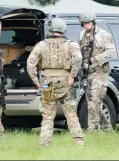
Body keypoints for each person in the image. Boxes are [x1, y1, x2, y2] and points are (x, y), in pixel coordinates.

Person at [27, 18, 84, 148]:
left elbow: (30, 64)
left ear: (51, 29)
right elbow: (78, 58)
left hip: (48, 84)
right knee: (71, 114)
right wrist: (72, 75)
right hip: (66, 83)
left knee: (47, 117)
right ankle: (79, 143)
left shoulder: (41, 45)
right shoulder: (71, 44)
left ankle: (44, 145)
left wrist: (36, 81)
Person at [78, 11, 116, 132]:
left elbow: (111, 52)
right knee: (91, 103)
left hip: (100, 73)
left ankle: (92, 131)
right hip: (87, 73)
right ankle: (107, 127)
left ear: (93, 22)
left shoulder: (103, 35)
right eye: (84, 24)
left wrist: (95, 59)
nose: (86, 26)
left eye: (88, 23)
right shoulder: (82, 35)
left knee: (95, 102)